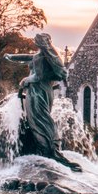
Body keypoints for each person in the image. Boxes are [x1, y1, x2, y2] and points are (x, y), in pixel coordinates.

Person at [5, 33, 81, 172]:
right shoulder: (44, 55)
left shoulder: (40, 57)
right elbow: (29, 57)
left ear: (38, 42)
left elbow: (38, 76)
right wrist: (12, 57)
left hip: (36, 92)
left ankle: (47, 149)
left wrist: (25, 80)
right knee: (43, 118)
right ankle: (47, 147)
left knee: (38, 120)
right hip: (46, 91)